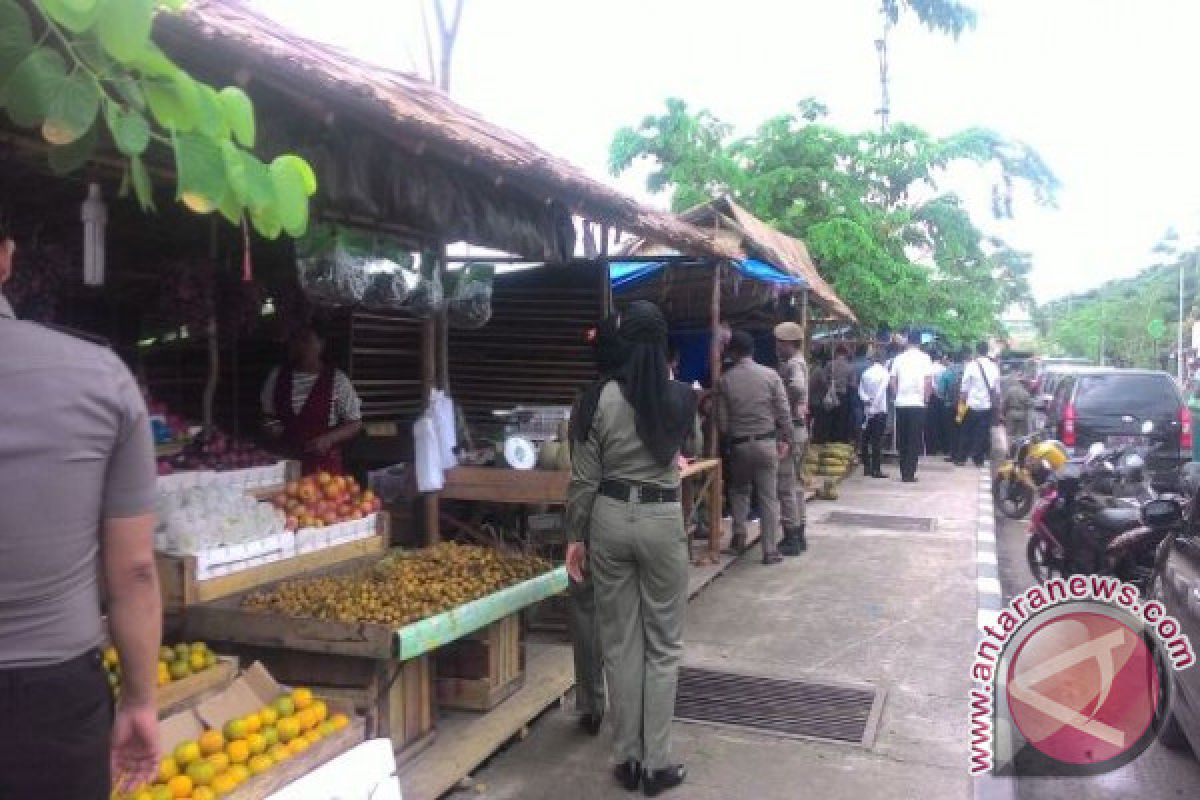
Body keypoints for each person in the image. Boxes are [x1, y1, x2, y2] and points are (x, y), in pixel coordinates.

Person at [0, 226, 161, 797]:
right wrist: (140, 699)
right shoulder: (101, 378)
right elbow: (134, 570)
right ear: (5, 258)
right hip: (56, 702)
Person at [564, 301, 695, 796]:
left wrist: (576, 537)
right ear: (662, 344)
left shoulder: (596, 399)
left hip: (609, 519)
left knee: (620, 645)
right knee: (663, 645)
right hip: (662, 520)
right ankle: (657, 764)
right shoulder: (680, 397)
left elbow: (583, 479)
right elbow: (680, 455)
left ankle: (627, 760)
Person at [565, 316, 629, 737]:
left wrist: (575, 535)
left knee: (586, 611)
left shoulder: (587, 402)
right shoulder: (644, 397)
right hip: (639, 519)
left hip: (597, 520)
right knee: (625, 618)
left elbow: (582, 478)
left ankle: (591, 703)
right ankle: (630, 710)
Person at [718, 330, 794, 564]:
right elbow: (784, 411)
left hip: (740, 445)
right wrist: (786, 439)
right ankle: (769, 550)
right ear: (752, 352)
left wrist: (730, 439)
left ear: (734, 352)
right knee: (768, 498)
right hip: (766, 443)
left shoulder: (725, 380)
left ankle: (739, 537)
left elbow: (722, 422)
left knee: (739, 491)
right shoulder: (771, 376)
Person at [261, 325, 363, 475]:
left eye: (306, 340)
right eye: (295, 340)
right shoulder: (276, 376)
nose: (299, 346)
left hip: (323, 468)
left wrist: (328, 439)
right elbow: (267, 415)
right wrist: (272, 427)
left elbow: (355, 423)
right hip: (285, 463)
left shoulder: (338, 380)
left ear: (321, 345)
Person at [773, 321, 809, 556]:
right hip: (800, 430)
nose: (777, 347)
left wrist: (783, 398)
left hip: (792, 430)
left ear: (788, 343)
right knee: (796, 484)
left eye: (779, 343)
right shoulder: (799, 362)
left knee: (785, 485)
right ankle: (800, 532)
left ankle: (791, 537)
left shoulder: (794, 364)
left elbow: (797, 387)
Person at [889, 330, 933, 482]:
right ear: (920, 342)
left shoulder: (898, 358)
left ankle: (903, 472)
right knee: (914, 439)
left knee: (903, 438)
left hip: (901, 403)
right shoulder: (925, 358)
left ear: (908, 341)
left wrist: (896, 396)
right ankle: (909, 473)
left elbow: (893, 381)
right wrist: (926, 399)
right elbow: (928, 381)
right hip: (918, 404)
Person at [957, 342, 1001, 467]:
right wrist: (998, 407)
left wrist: (961, 406)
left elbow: (964, 388)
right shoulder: (994, 367)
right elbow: (997, 391)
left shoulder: (971, 366)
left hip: (971, 404)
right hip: (986, 406)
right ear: (987, 351)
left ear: (977, 351)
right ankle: (978, 459)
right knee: (982, 433)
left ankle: (961, 458)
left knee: (966, 432)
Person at [859, 349, 891, 478]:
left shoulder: (866, 373)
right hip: (879, 411)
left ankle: (867, 467)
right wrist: (874, 406)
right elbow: (881, 392)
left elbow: (860, 390)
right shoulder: (885, 373)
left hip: (867, 409)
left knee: (865, 440)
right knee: (877, 441)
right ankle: (876, 469)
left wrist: (867, 400)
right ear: (883, 360)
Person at [939, 350, 967, 461]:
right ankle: (962, 454)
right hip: (962, 405)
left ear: (952, 359)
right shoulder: (967, 370)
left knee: (951, 430)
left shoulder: (947, 372)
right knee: (962, 428)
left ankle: (953, 454)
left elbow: (941, 391)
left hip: (949, 405)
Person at [926, 352, 948, 456]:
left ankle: (931, 449)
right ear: (940, 358)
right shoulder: (944, 369)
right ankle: (942, 447)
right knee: (941, 423)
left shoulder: (928, 367)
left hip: (930, 397)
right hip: (941, 398)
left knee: (931, 423)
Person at [829, 345, 853, 442]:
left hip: (831, 395)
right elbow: (852, 384)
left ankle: (831, 440)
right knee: (842, 420)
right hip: (843, 396)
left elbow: (823, 379)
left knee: (831, 419)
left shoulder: (829, 365)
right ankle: (841, 441)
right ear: (845, 354)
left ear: (837, 353)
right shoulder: (850, 367)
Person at [809, 350, 832, 444]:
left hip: (811, 399)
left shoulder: (812, 368)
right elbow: (824, 385)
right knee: (820, 422)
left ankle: (815, 439)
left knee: (815, 422)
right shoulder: (819, 371)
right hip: (816, 400)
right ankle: (818, 441)